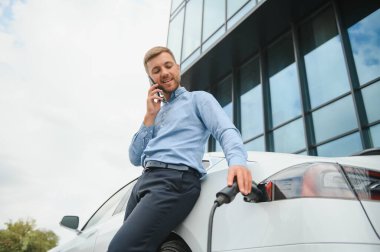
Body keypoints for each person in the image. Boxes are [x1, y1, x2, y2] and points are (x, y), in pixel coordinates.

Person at [108, 46, 252, 252]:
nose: (164, 72)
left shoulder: (198, 99)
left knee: (120, 248)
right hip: (143, 184)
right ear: (151, 79)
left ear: (177, 68)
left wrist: (237, 161)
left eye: (168, 66)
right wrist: (149, 116)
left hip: (173, 180)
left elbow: (225, 129)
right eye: (156, 70)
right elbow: (134, 157)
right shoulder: (155, 114)